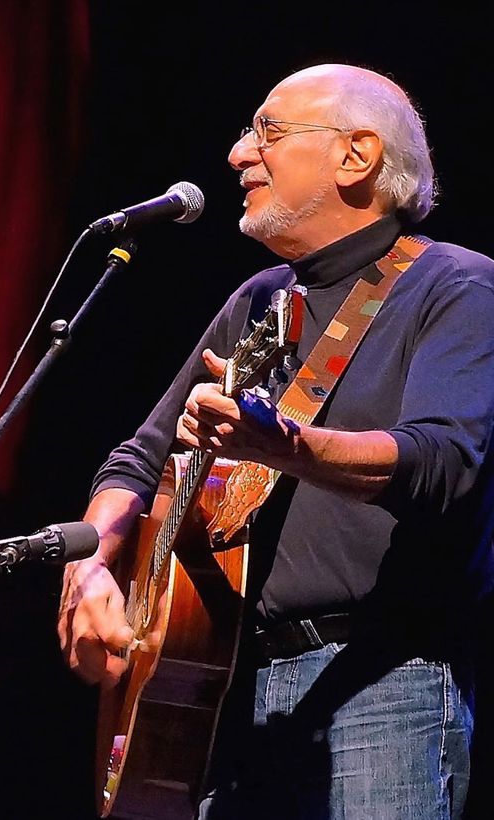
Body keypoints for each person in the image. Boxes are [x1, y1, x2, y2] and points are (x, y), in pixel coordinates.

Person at [57, 63, 493, 819]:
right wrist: (91, 564)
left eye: (268, 131)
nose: (236, 153)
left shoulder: (457, 287)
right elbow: (138, 459)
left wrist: (283, 445)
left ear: (356, 156)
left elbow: (442, 463)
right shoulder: (259, 302)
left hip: (384, 682)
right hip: (227, 690)